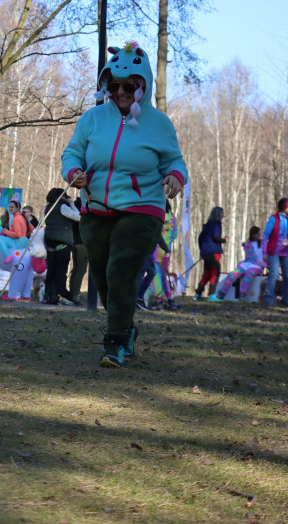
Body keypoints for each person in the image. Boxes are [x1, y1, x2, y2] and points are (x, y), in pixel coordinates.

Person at [61, 40, 187, 366]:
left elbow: (175, 160)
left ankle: (115, 343)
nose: (120, 92)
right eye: (114, 85)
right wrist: (74, 171)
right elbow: (73, 152)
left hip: (142, 208)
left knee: (121, 268)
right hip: (95, 206)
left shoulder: (158, 123)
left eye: (129, 86)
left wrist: (175, 176)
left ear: (141, 84)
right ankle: (126, 328)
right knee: (102, 275)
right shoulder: (92, 119)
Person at [43, 188, 80, 306]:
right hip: (63, 243)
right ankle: (62, 294)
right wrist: (72, 204)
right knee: (61, 271)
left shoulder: (47, 208)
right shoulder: (63, 207)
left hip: (49, 242)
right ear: (62, 197)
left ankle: (48, 295)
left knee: (51, 271)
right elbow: (79, 217)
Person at [216, 226, 267, 300]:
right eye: (257, 234)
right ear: (253, 235)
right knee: (233, 274)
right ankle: (222, 292)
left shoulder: (263, 243)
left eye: (259, 234)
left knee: (249, 274)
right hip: (246, 264)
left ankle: (243, 293)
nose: (259, 236)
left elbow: (265, 255)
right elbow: (251, 256)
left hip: (257, 266)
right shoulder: (248, 243)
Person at [0, 199, 34, 301]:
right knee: (28, 272)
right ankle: (26, 293)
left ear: (17, 208)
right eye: (9, 207)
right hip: (25, 242)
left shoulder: (16, 218)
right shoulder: (23, 217)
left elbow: (18, 234)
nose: (10, 208)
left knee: (0, 239)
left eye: (12, 207)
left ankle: (7, 255)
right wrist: (26, 236)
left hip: (18, 243)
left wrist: (6, 231)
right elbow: (32, 229)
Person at [193, 207, 227, 301]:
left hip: (205, 252)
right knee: (215, 272)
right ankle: (211, 294)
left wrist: (202, 251)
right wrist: (224, 240)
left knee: (207, 273)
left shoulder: (207, 225)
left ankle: (198, 293)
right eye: (222, 213)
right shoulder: (217, 224)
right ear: (218, 214)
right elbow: (216, 237)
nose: (224, 215)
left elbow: (200, 238)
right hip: (213, 251)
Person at [261, 197, 288, 306]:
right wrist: (264, 253)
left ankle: (285, 298)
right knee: (274, 274)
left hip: (286, 251)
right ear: (283, 207)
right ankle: (268, 296)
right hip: (274, 251)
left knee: (287, 275)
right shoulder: (274, 219)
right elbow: (265, 236)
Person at [69, 197, 88, 305]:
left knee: (75, 269)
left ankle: (72, 293)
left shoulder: (72, 208)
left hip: (73, 242)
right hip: (82, 243)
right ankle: (75, 295)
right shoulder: (84, 209)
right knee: (81, 270)